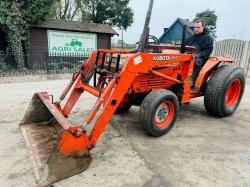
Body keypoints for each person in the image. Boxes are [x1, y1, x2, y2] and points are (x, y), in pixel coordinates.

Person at [186, 19, 214, 87]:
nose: (196, 29)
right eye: (195, 27)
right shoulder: (191, 38)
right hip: (190, 56)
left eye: (198, 27)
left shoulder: (208, 38)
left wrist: (198, 55)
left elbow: (207, 51)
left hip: (201, 58)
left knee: (194, 61)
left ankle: (190, 81)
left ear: (203, 27)